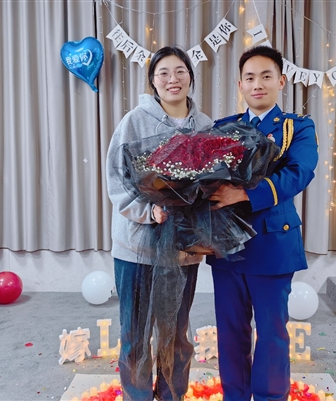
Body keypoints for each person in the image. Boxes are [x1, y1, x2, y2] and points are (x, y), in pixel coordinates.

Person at [207, 45, 319, 401]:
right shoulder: (223, 129)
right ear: (240, 84)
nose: (258, 84)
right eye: (250, 77)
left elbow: (299, 173)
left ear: (281, 81)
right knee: (230, 332)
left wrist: (243, 194)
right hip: (227, 246)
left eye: (266, 76)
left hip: (272, 244)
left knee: (271, 333)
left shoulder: (296, 127)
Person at [106, 46, 213, 401]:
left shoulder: (205, 126)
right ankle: (137, 396)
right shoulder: (134, 121)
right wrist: (148, 211)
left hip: (182, 250)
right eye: (163, 72)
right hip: (136, 247)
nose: (172, 79)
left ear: (191, 77)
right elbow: (116, 178)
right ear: (152, 80)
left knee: (176, 334)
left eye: (180, 71)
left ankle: (172, 395)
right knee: (135, 334)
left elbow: (211, 184)